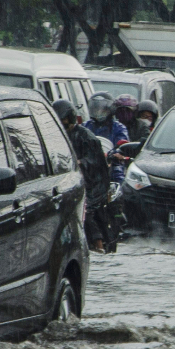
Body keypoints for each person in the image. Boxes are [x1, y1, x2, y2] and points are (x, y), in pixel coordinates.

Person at [54, 99, 111, 253]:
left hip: (94, 184)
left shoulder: (86, 137)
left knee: (87, 212)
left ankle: (99, 245)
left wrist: (79, 162)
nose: (62, 123)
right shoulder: (56, 137)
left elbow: (95, 162)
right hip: (69, 182)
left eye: (63, 120)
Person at [84, 92, 129, 182]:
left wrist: (115, 153)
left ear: (110, 109)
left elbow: (123, 144)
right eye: (96, 109)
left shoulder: (118, 127)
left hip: (111, 164)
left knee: (119, 179)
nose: (98, 112)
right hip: (88, 164)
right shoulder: (85, 126)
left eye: (102, 110)